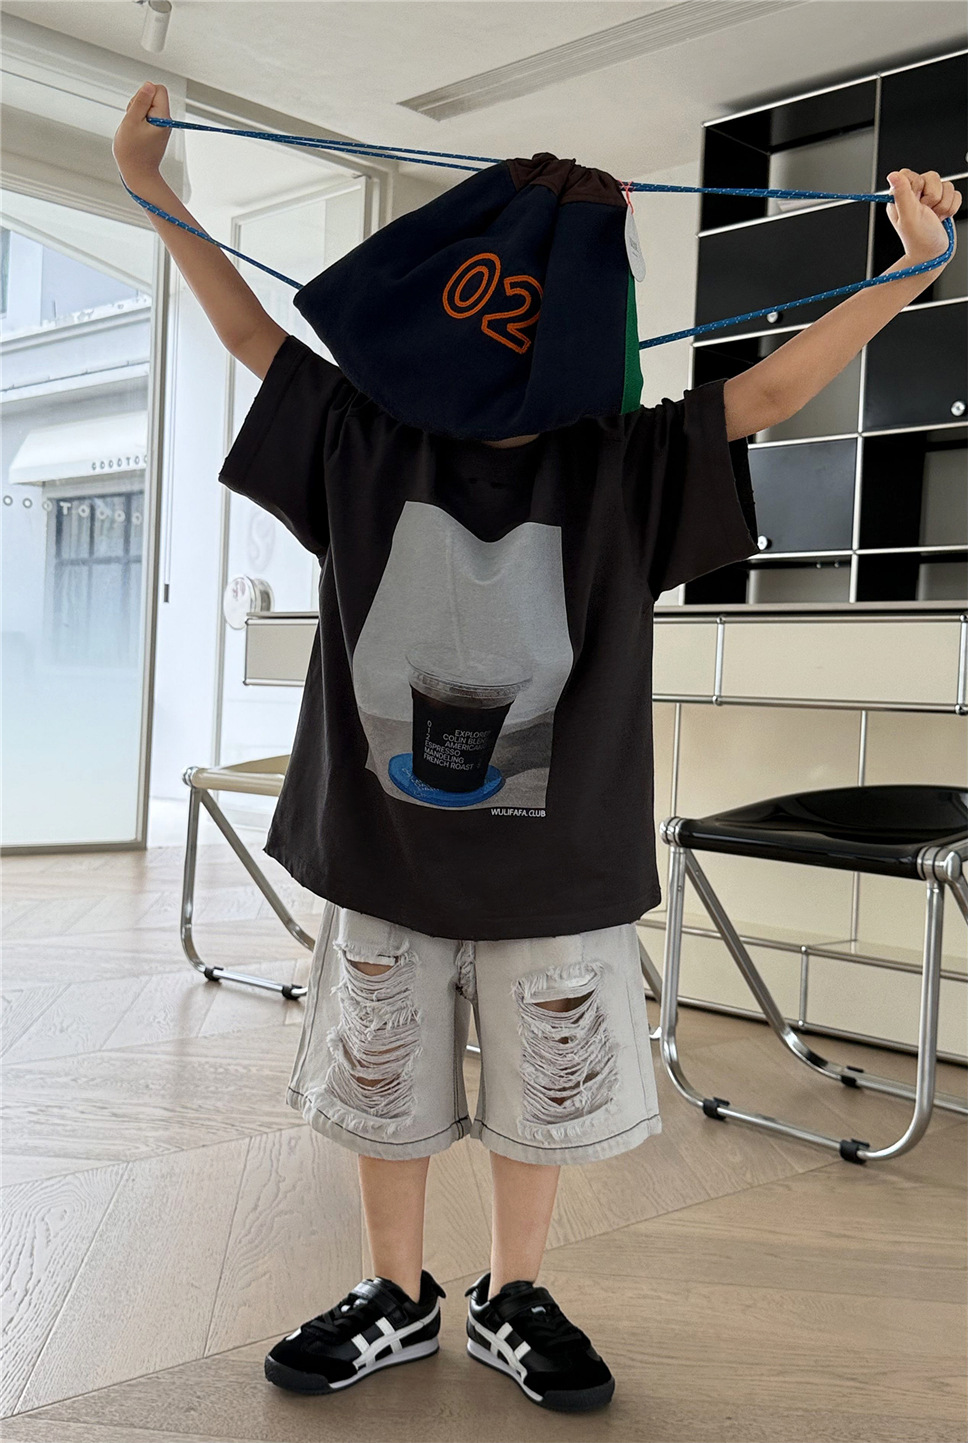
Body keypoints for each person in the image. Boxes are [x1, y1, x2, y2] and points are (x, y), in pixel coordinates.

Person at [114, 81, 960, 1414]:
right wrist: (152, 189)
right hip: (386, 855)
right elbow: (246, 331)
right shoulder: (361, 436)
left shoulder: (625, 461)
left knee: (547, 1088)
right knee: (382, 1078)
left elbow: (775, 387)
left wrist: (911, 270)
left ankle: (515, 1293)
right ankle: (395, 1292)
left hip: (555, 873)